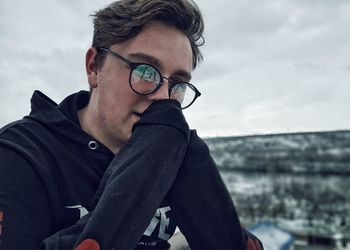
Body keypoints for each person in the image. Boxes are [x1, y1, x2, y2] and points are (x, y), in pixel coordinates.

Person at [0, 0, 263, 249]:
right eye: (145, 71)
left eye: (178, 84)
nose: (163, 98)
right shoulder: (19, 157)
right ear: (94, 68)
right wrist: (146, 170)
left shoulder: (178, 154)